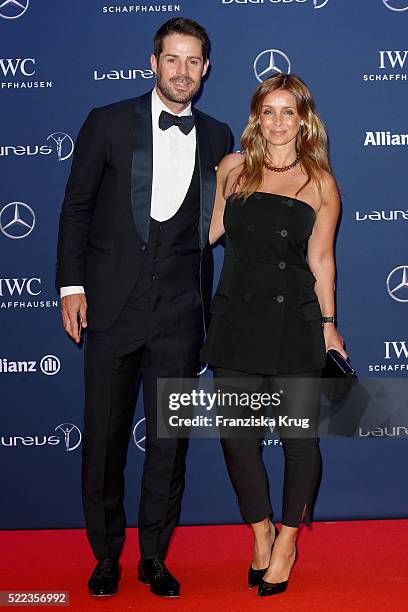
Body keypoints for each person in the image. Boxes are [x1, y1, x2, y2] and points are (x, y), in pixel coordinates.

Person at [56, 17, 232, 599]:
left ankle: (154, 555)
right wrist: (71, 287)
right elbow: (76, 209)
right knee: (104, 438)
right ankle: (106, 555)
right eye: (172, 59)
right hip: (112, 307)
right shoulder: (106, 123)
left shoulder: (218, 135)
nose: (182, 72)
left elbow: (215, 224)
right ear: (153, 61)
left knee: (169, 443)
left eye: (193, 62)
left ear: (205, 70)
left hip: (182, 310)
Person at [201, 74, 347, 597]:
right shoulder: (233, 168)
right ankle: (260, 530)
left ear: (304, 119)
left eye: (289, 112)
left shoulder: (320, 181)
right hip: (235, 322)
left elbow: (322, 259)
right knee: (238, 443)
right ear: (256, 117)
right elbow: (208, 231)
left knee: (298, 443)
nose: (279, 122)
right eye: (269, 111)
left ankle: (287, 541)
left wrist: (330, 329)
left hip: (296, 326)